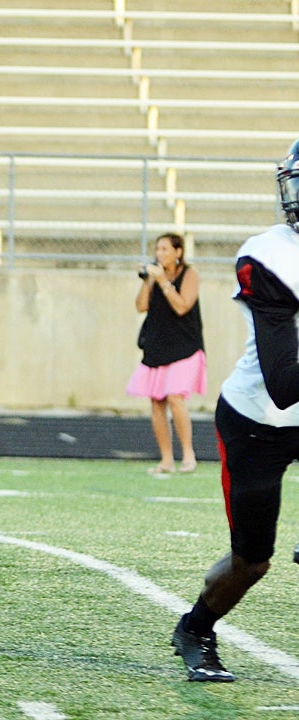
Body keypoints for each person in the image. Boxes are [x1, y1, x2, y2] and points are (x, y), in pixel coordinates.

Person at [170, 139, 299, 684]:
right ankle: (196, 628)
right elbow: (284, 384)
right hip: (259, 423)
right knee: (253, 561)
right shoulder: (270, 255)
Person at [126, 232, 204, 475]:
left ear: (178, 252)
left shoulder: (189, 274)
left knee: (174, 396)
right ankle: (166, 460)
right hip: (158, 345)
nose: (159, 254)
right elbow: (141, 306)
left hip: (184, 347)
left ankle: (188, 455)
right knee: (156, 401)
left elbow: (182, 306)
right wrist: (146, 281)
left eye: (165, 249)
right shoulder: (155, 276)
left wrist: (163, 282)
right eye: (157, 249)